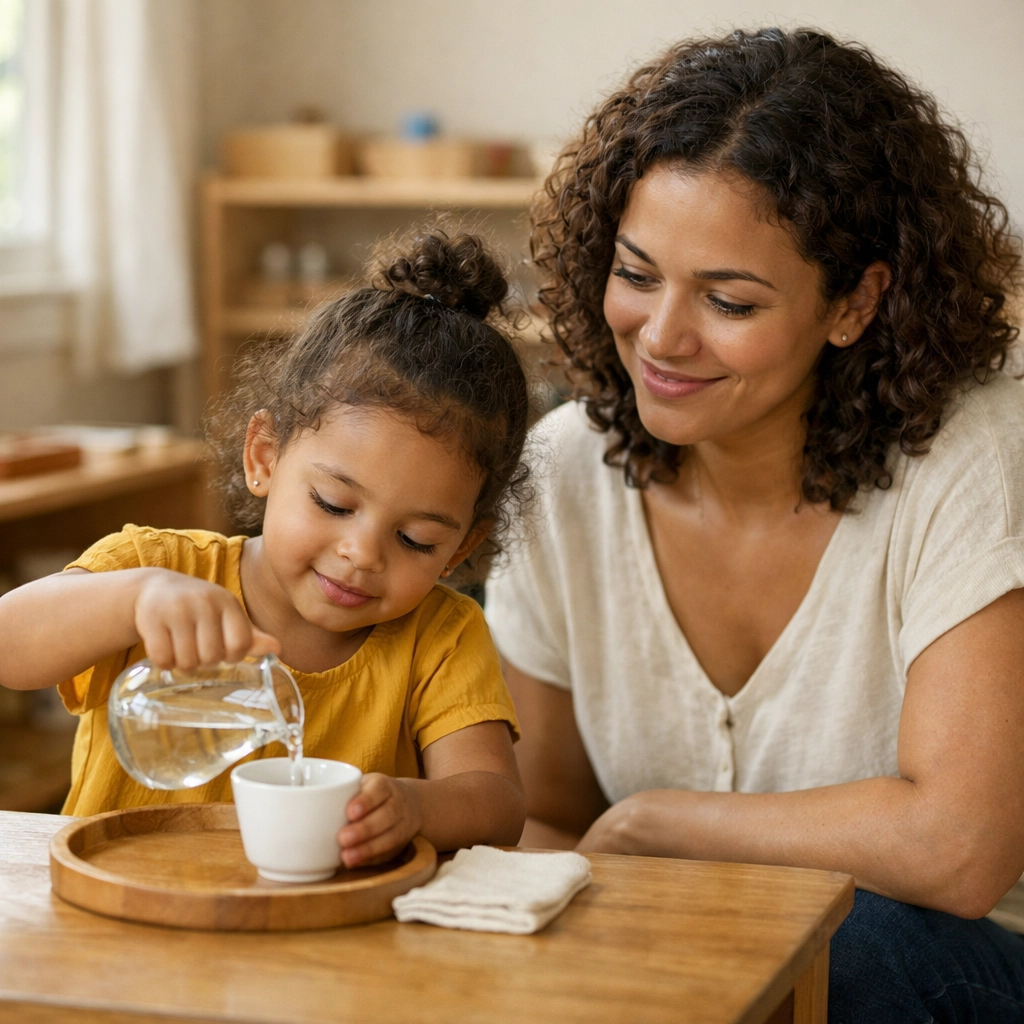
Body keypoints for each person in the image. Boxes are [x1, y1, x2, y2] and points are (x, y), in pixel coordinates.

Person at [485, 27, 1024, 1022]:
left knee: (838, 940)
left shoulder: (971, 460)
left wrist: (652, 825)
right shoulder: (562, 472)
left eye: (727, 300)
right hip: (695, 966)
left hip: (952, 969)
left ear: (856, 301)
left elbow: (958, 849)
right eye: (637, 274)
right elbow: (543, 817)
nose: (663, 336)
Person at [0, 228, 529, 868]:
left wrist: (419, 806)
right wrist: (133, 598)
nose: (362, 553)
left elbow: (497, 805)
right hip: (118, 924)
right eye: (333, 504)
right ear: (265, 457)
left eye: (416, 539)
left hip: (315, 942)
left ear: (460, 548)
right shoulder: (155, 567)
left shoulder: (441, 638)